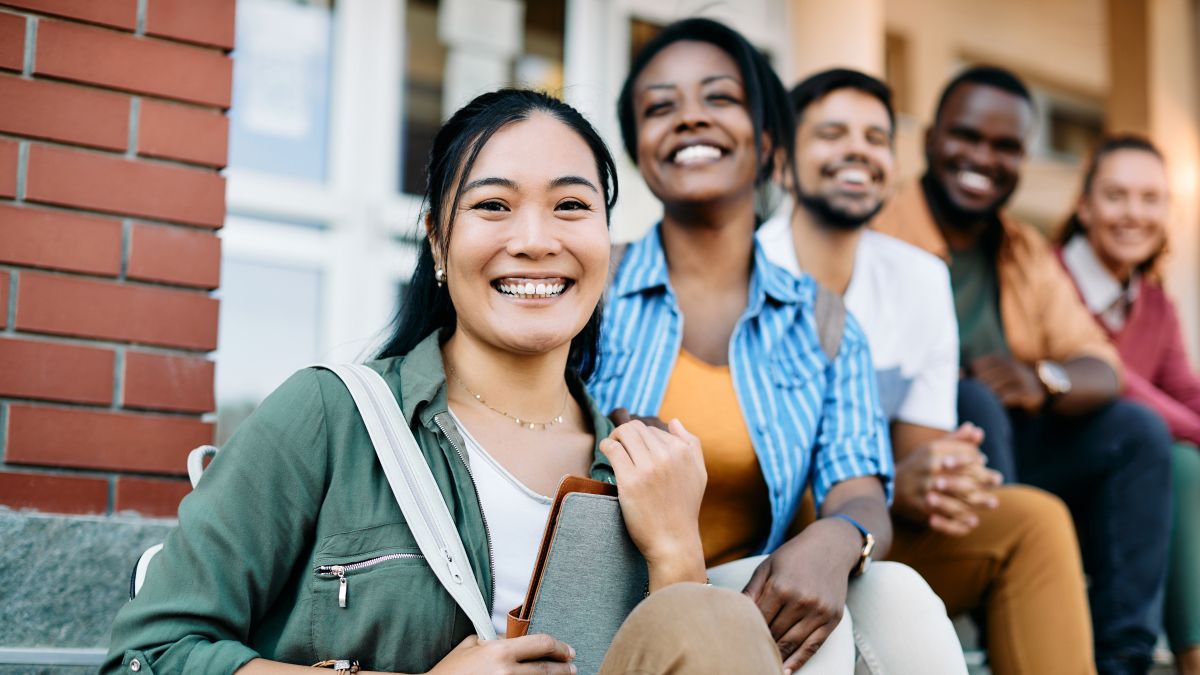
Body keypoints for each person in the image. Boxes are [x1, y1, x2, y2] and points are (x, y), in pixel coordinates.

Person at [104, 89, 786, 675]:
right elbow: (150, 653)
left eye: (571, 206)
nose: (536, 239)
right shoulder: (330, 417)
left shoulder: (638, 465)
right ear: (436, 240)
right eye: (493, 206)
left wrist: (675, 548)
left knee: (719, 619)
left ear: (608, 240)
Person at [595, 19, 967, 674]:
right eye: (660, 107)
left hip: (744, 583)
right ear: (638, 149)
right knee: (804, 632)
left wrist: (837, 537)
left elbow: (862, 491)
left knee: (898, 593)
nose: (689, 119)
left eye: (720, 98)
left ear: (769, 142)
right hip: (611, 605)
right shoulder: (592, 290)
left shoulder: (824, 323)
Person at [757, 67, 1095, 674]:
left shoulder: (920, 276)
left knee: (1035, 520)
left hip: (867, 524)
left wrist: (936, 475)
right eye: (833, 133)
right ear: (782, 160)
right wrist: (890, 482)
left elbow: (919, 451)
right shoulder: (747, 272)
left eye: (876, 137)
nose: (858, 149)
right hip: (768, 533)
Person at [872, 65, 1173, 675]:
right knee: (974, 400)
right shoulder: (879, 228)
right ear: (931, 140)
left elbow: (1100, 364)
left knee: (1139, 432)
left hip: (1019, 455)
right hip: (909, 467)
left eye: (1006, 146)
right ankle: (1000, 609)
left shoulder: (1023, 249)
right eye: (967, 136)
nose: (984, 157)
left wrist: (1044, 380)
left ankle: (1125, 659)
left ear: (1023, 159)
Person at [1056, 134, 1200, 675]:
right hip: (1061, 477)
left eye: (1150, 198)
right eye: (1116, 196)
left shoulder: (1155, 301)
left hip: (1136, 490)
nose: (1133, 213)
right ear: (1085, 204)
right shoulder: (1047, 276)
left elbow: (1184, 390)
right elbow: (1120, 385)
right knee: (1181, 458)